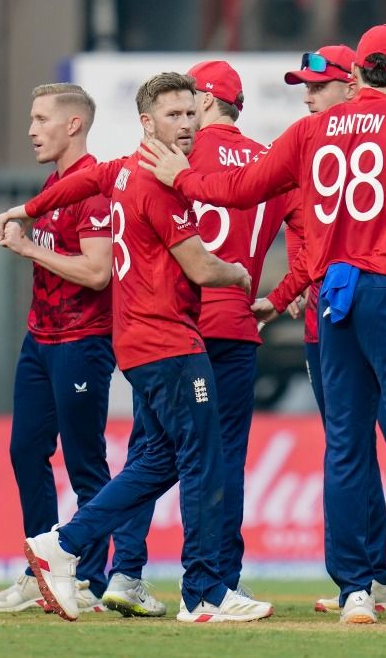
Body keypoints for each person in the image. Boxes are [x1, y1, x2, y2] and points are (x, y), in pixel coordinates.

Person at [139, 25, 386, 625]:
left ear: (355, 76)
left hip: (335, 298)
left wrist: (183, 180)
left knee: (346, 446)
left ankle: (356, 589)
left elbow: (242, 190)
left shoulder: (309, 130)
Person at [0, 71, 273, 624]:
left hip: (141, 343)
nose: (188, 124)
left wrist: (27, 210)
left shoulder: (124, 170)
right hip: (170, 340)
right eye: (174, 115)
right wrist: (239, 276)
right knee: (203, 459)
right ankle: (205, 594)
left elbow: (82, 181)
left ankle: (62, 546)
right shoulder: (159, 182)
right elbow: (199, 264)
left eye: (192, 113)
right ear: (148, 123)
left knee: (159, 460)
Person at [106, 60, 298, 605]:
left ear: (205, 105)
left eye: (191, 106)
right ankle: (221, 578)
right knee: (224, 458)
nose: (186, 118)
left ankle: (127, 570)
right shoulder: (269, 162)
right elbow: (307, 238)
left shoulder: (168, 157)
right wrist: (282, 297)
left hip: (176, 326)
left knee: (148, 450)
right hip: (237, 323)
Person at [254, 44, 386, 615]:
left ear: (352, 85)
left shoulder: (376, 140)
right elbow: (305, 253)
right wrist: (288, 293)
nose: (308, 97)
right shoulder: (304, 148)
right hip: (325, 327)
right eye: (304, 88)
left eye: (317, 86)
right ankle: (368, 577)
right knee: (356, 449)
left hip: (363, 316)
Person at [0, 83, 116, 615]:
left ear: (74, 125)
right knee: (25, 451)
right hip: (40, 338)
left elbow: (98, 271)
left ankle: (88, 577)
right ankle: (41, 567)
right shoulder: (54, 184)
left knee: (85, 463)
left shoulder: (93, 189)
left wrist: (28, 246)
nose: (32, 129)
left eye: (41, 119)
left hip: (83, 341)